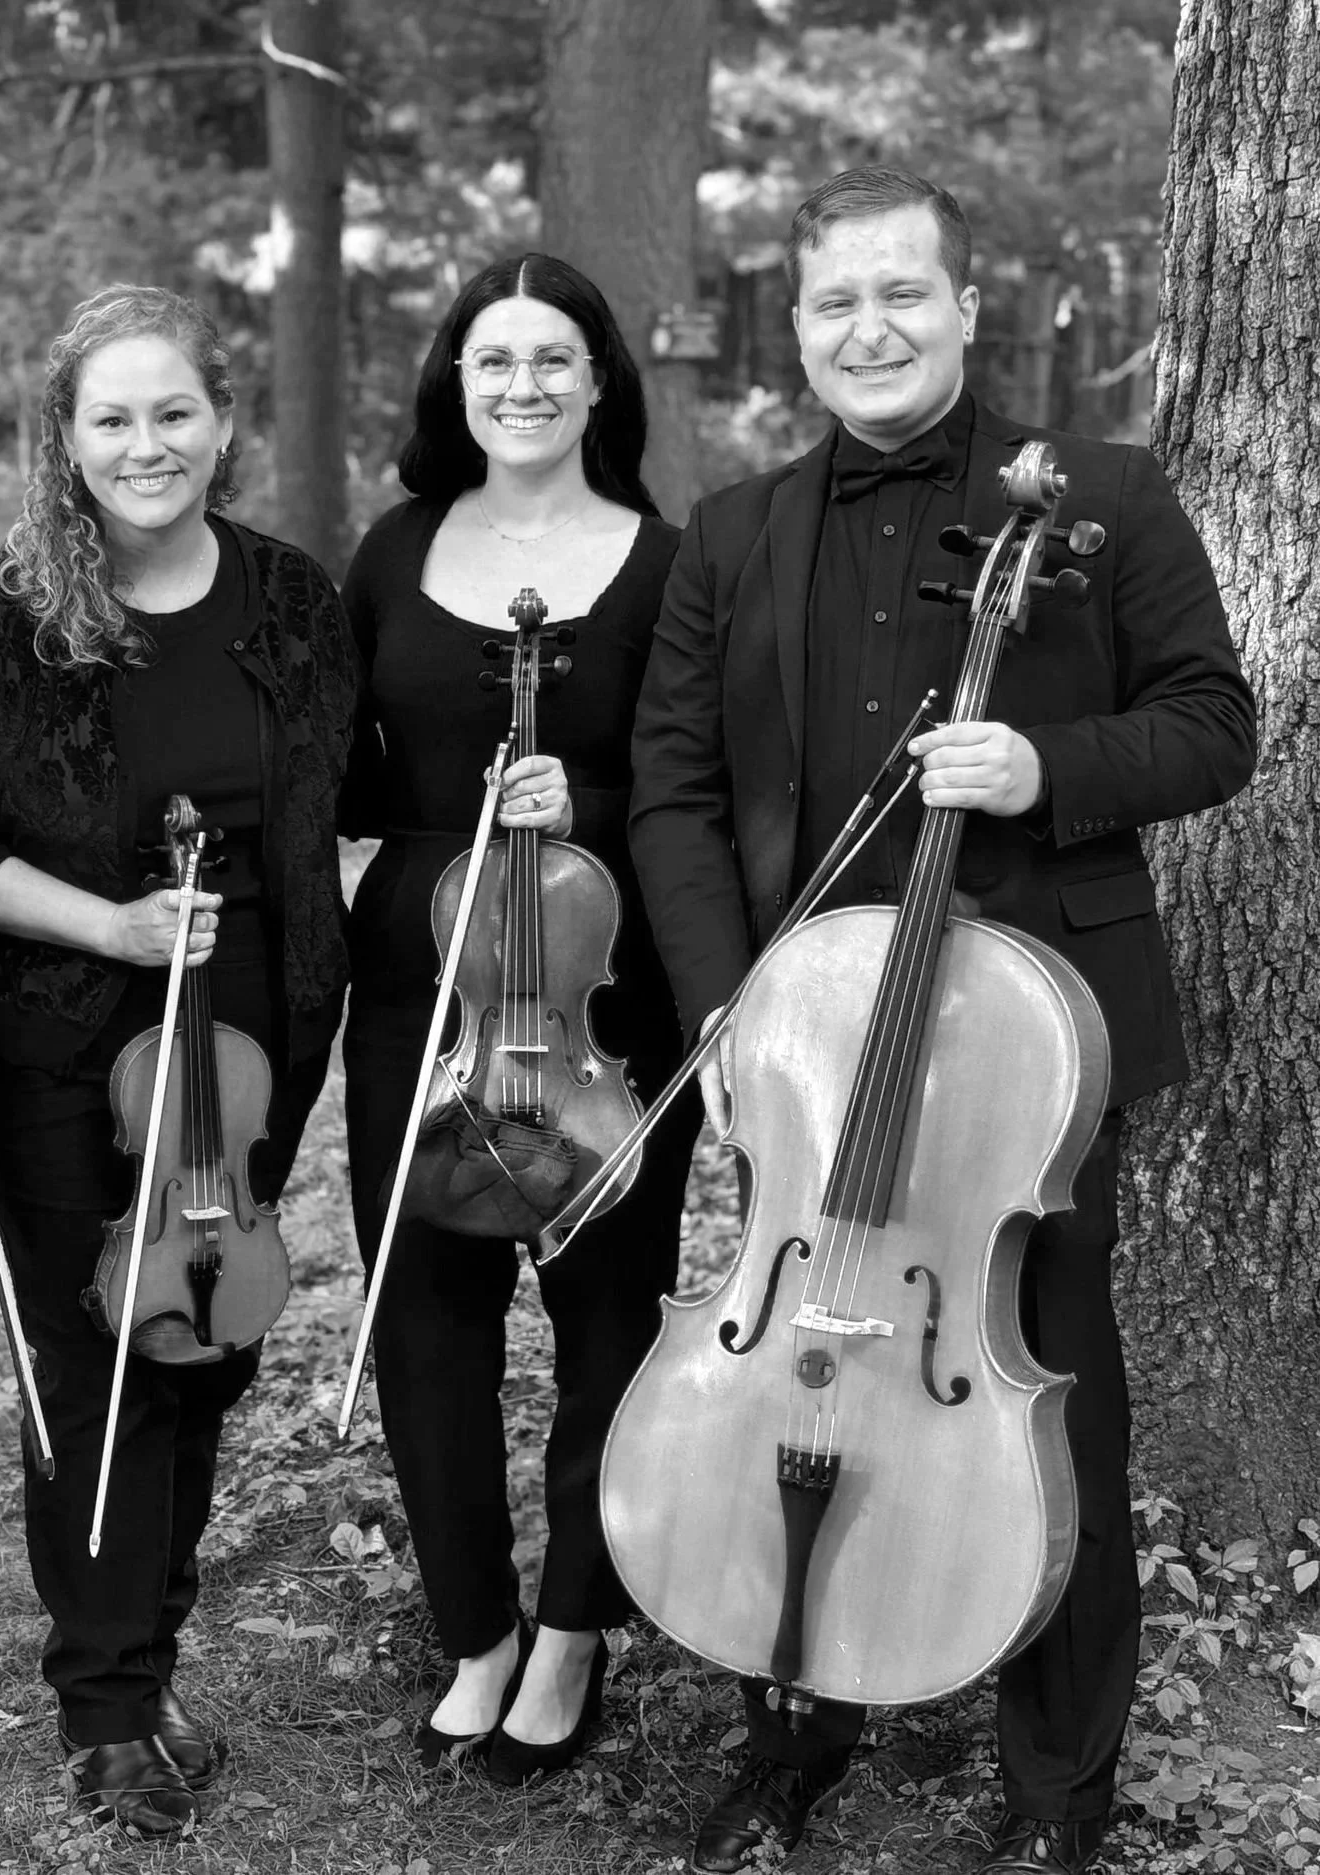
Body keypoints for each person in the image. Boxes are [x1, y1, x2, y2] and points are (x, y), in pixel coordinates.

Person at [627, 167, 1256, 1875]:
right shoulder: (735, 529)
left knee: (1047, 1399)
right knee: (793, 1384)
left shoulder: (1102, 497)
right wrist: (728, 1024)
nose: (867, 328)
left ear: (967, 308)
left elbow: (1215, 723)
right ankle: (791, 1716)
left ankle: (1058, 1788)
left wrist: (1047, 765)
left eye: (901, 293)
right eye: (834, 301)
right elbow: (673, 795)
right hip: (809, 1057)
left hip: (1022, 1067)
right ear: (798, 326)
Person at [0, 284, 355, 1836]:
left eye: (174, 411)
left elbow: (353, 790)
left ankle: (147, 1657)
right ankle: (102, 1707)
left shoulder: (296, 599)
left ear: (223, 424)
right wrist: (111, 929)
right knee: (93, 1357)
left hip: (259, 1035)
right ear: (65, 438)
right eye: (112, 416)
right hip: (58, 1035)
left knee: (206, 1338)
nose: (146, 442)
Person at [339, 253, 703, 1785]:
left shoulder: (672, 557)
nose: (524, 386)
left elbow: (710, 769)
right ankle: (474, 1626)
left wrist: (589, 798)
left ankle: (571, 1628)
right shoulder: (394, 545)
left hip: (599, 977)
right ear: (456, 384)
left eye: (553, 358)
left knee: (606, 1314)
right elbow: (341, 772)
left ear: (600, 382)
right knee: (425, 1312)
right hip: (422, 972)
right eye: (494, 361)